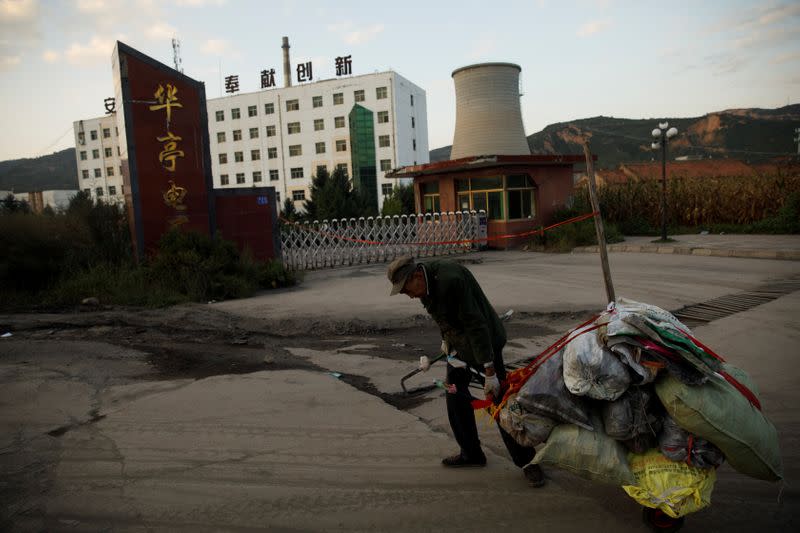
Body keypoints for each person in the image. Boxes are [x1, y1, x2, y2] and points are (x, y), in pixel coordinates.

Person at [387, 255, 545, 487]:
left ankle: (529, 462)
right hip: (458, 348)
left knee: (499, 402)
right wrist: (446, 341)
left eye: (406, 290)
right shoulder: (426, 284)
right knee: (455, 394)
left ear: (416, 276)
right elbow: (443, 317)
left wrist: (489, 371)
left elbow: (476, 324)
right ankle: (471, 453)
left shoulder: (450, 281)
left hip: (484, 345)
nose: (408, 295)